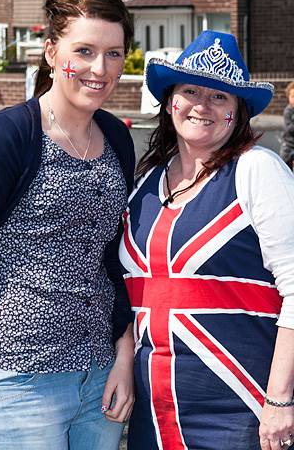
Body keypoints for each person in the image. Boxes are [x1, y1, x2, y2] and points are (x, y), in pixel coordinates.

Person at [0, 0, 135, 450]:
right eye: (83, 51)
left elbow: (113, 259)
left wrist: (123, 355)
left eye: (113, 53)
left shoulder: (116, 139)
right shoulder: (7, 136)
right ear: (50, 52)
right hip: (20, 376)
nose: (99, 69)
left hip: (99, 377)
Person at [119, 30, 294, 450]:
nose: (202, 105)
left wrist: (279, 400)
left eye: (221, 97)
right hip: (154, 414)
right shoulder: (144, 184)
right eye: (191, 91)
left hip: (242, 410)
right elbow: (123, 291)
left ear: (238, 112)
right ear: (170, 101)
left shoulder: (257, 171)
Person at [280, 81, 294, 169]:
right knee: (284, 166)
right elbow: (288, 128)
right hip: (288, 145)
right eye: (293, 96)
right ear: (288, 97)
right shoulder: (288, 111)